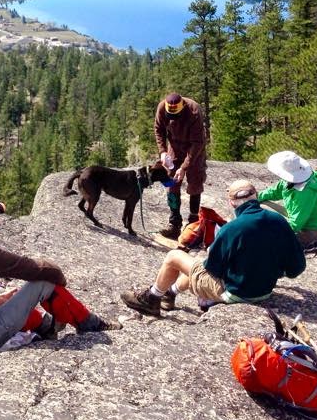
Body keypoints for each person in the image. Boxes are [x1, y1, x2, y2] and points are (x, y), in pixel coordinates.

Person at [0, 193, 119, 358]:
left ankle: (46, 326)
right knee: (43, 284)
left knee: (1, 293)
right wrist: (61, 280)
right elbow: (44, 270)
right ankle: (89, 324)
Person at [120, 179, 306, 317]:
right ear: (256, 197)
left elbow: (212, 269)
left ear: (232, 202)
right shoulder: (279, 221)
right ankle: (169, 294)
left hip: (236, 293)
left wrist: (214, 252)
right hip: (264, 291)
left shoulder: (232, 229)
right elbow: (296, 268)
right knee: (196, 264)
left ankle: (151, 299)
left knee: (174, 257)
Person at [154, 92, 208, 239]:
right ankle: (174, 223)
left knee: (195, 183)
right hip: (174, 147)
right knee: (172, 183)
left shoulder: (194, 111)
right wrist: (163, 152)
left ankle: (193, 223)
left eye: (176, 116)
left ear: (182, 107)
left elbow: (198, 142)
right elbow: (159, 129)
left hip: (194, 149)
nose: (173, 119)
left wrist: (184, 167)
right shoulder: (162, 107)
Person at [258, 151, 317, 248]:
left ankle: (314, 239)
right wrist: (256, 197)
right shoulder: (290, 181)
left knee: (264, 243)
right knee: (259, 205)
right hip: (296, 219)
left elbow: (295, 224)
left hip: (307, 230)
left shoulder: (305, 192)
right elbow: (275, 191)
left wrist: (271, 234)